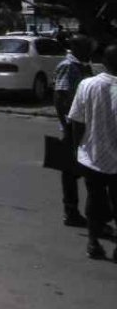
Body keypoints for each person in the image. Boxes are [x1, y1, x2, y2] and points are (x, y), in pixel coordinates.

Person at [68, 43, 117, 260]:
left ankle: (92, 242)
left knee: (93, 200)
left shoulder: (87, 85)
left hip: (92, 156)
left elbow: (77, 122)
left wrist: (75, 147)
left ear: (103, 63)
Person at [53, 34, 94, 227]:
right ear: (77, 47)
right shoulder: (68, 66)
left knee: (83, 170)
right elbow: (60, 98)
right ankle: (71, 211)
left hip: (85, 126)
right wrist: (68, 128)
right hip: (73, 128)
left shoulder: (82, 65)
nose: (90, 51)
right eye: (87, 46)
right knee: (70, 172)